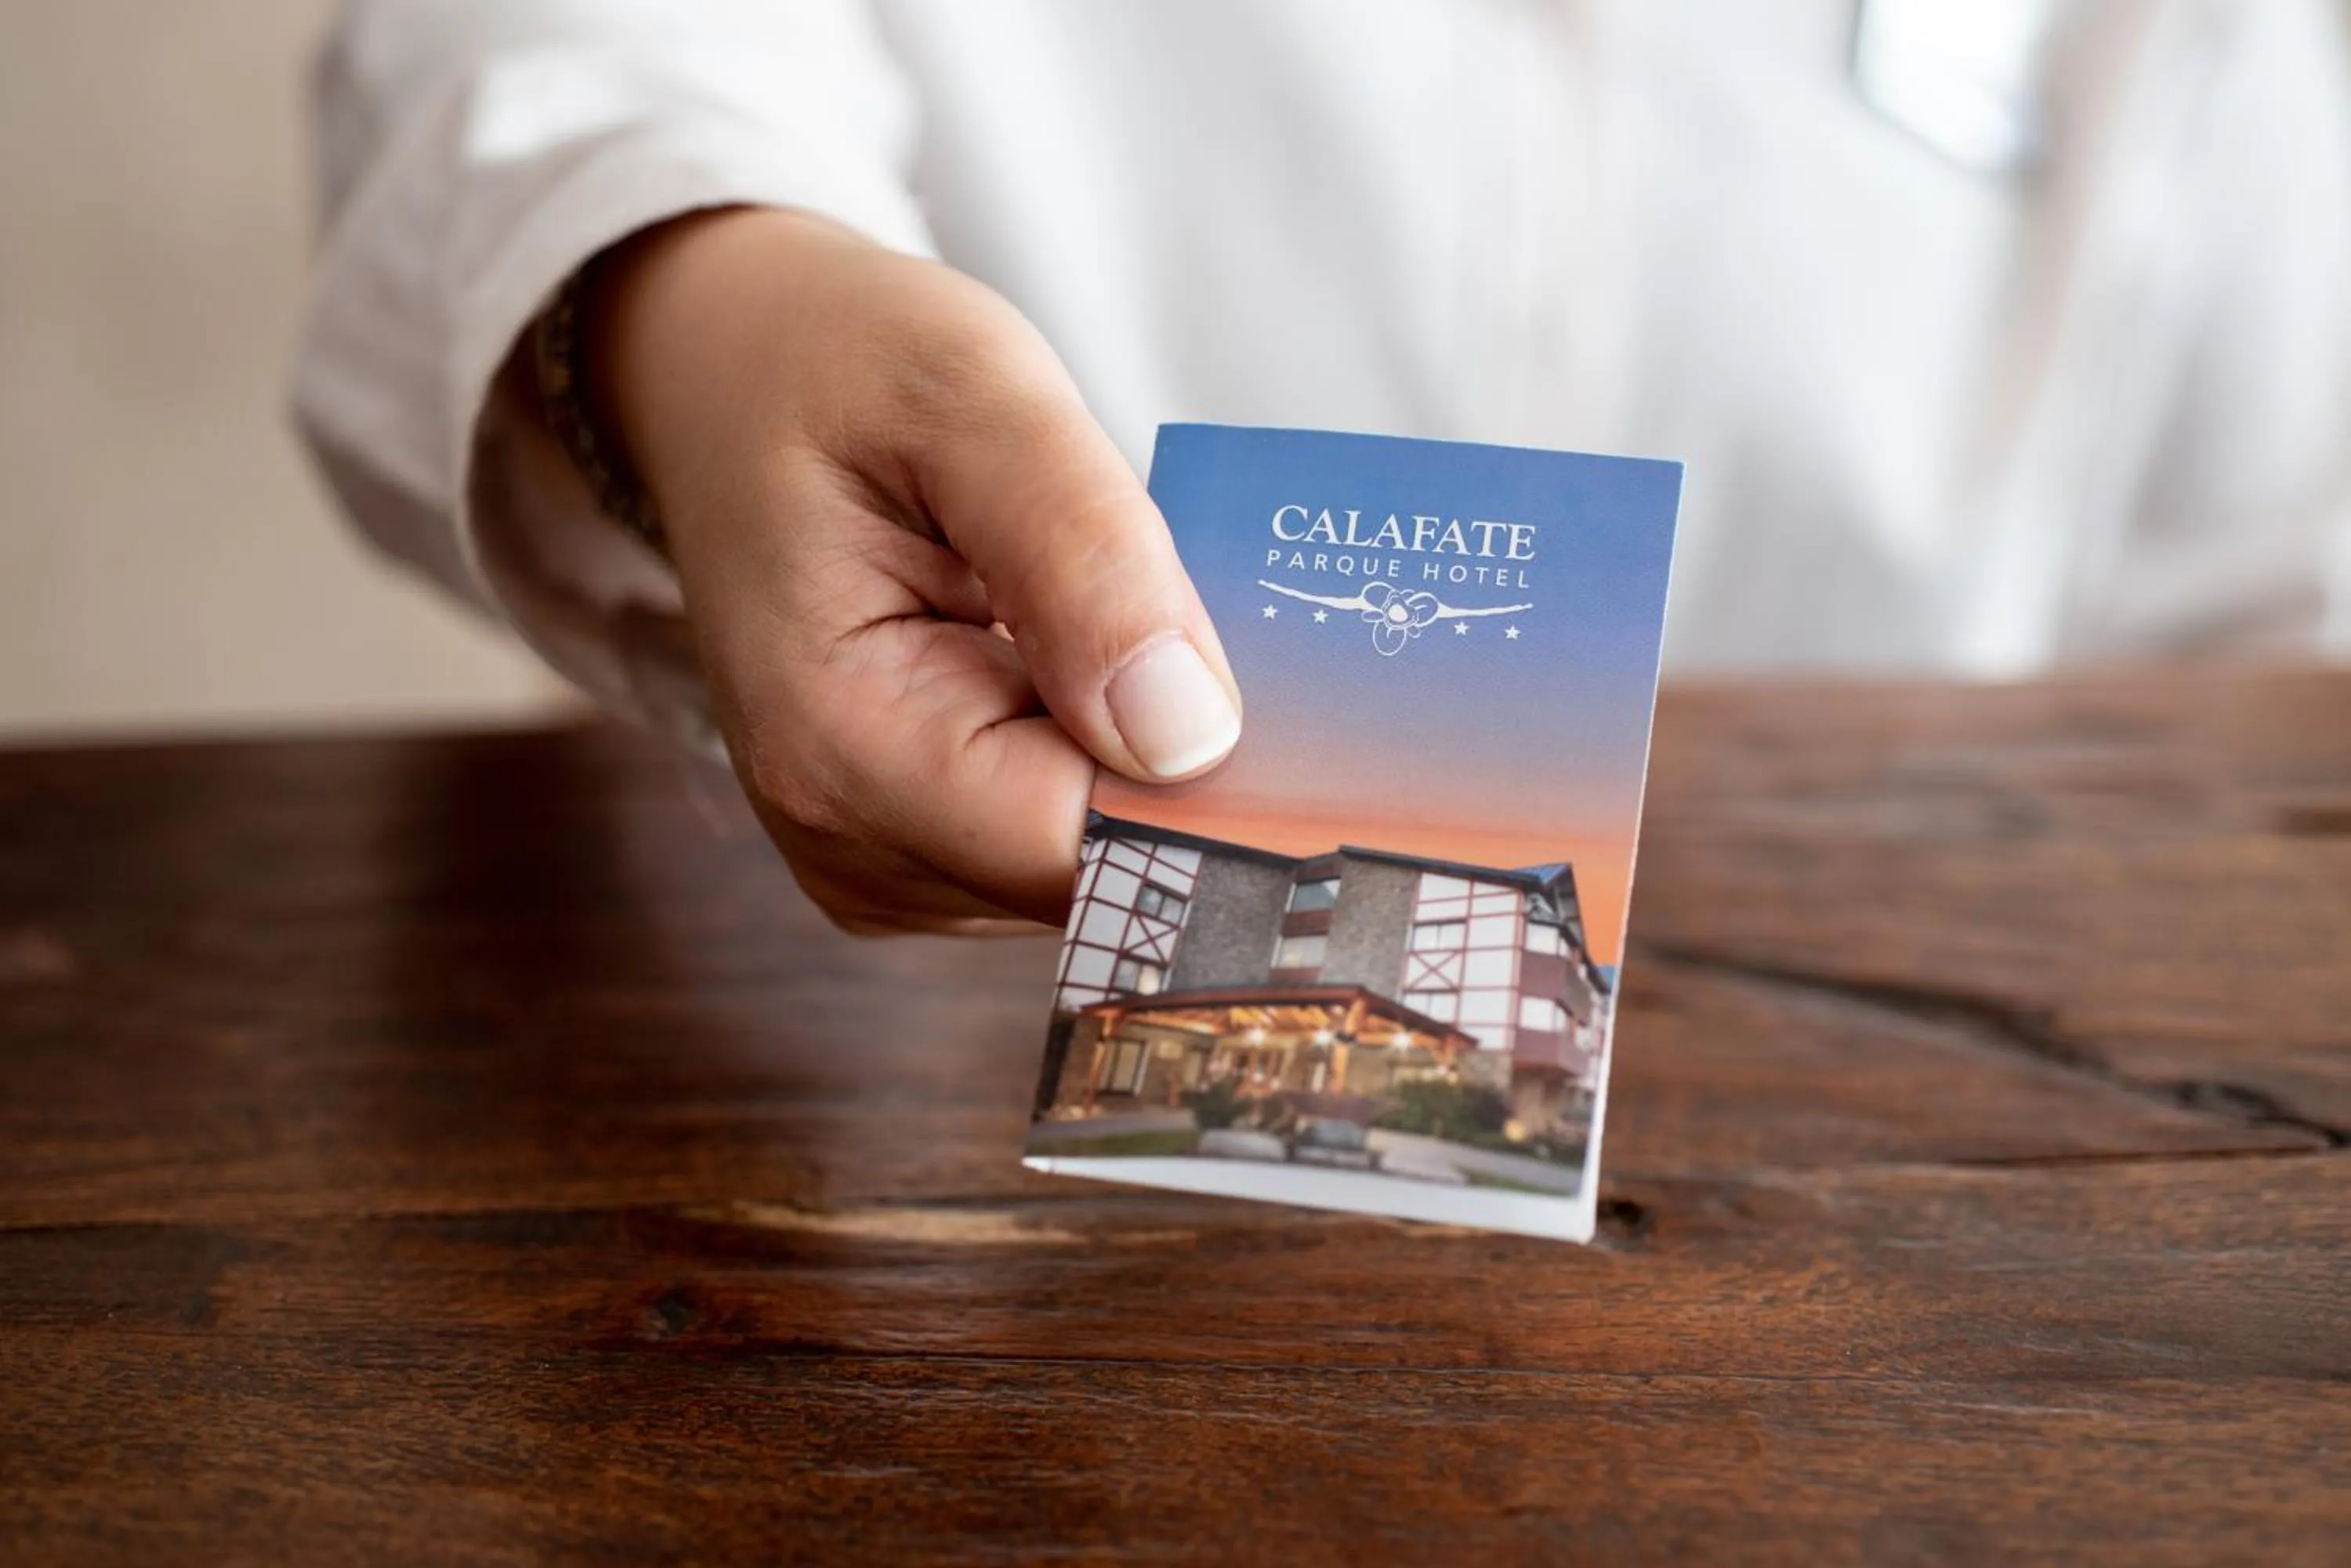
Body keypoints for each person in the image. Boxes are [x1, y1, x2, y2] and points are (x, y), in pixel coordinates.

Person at [295, 1, 2351, 935]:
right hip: (849, 1066)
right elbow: (555, 44)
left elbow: (2279, 564)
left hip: (1897, 1109)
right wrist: (705, 296)